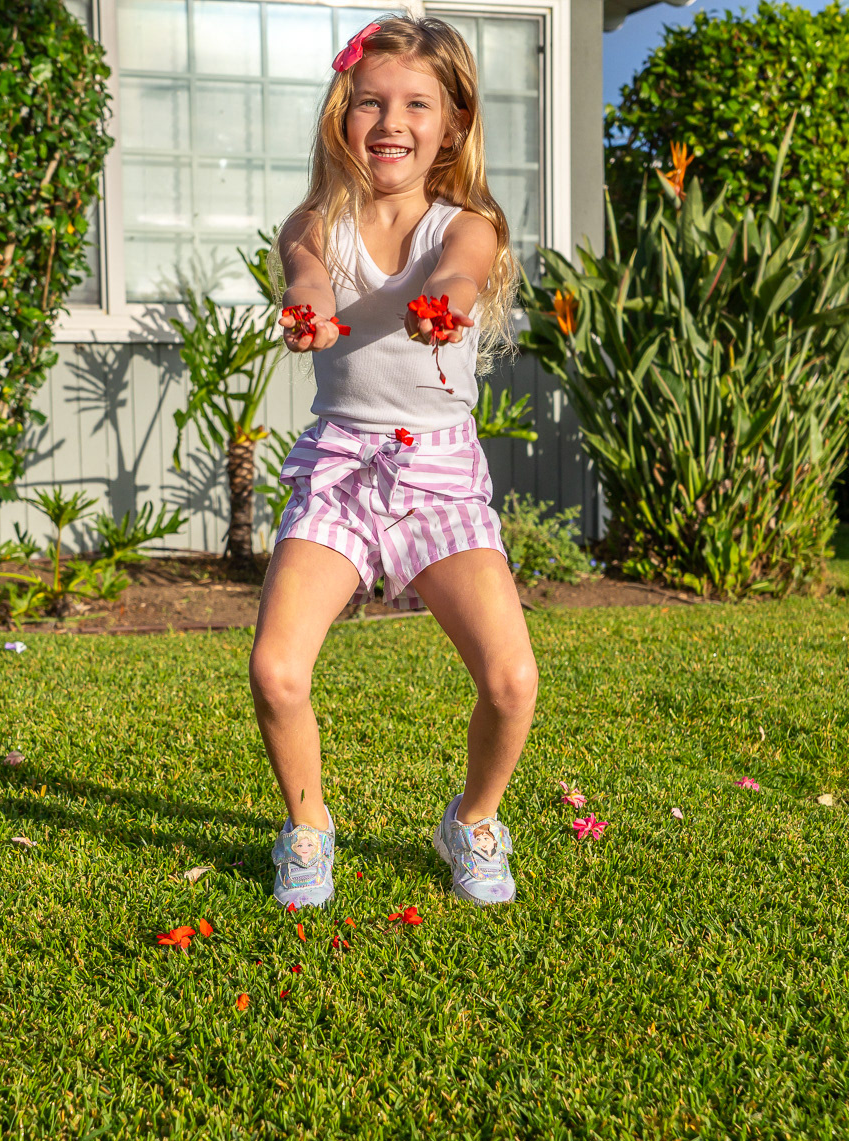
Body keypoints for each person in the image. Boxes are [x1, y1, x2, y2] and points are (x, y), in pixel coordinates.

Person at [250, 14, 537, 910]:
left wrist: (444, 307)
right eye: (370, 102)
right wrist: (306, 311)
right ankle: (307, 827)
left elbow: (459, 273)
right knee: (276, 671)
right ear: (343, 115)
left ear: (451, 125)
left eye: (417, 104)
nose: (391, 122)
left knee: (511, 681)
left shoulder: (467, 224)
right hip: (340, 467)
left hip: (439, 475)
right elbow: (308, 279)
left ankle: (473, 820)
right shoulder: (314, 223)